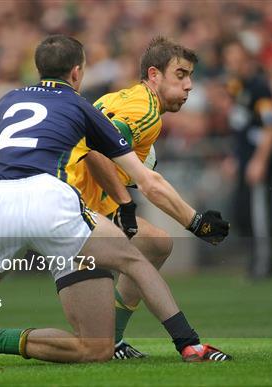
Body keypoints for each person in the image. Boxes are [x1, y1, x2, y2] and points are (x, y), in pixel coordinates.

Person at [0, 35, 231, 372]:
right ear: (77, 72)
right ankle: (189, 344)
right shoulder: (85, 105)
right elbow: (120, 164)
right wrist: (180, 217)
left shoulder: (6, 100)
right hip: (55, 202)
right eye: (181, 75)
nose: (189, 85)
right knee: (138, 259)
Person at [68, 36, 203, 359]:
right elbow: (97, 148)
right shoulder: (145, 113)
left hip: (91, 200)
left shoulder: (125, 98)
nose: (189, 86)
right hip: (72, 206)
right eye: (181, 75)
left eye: (190, 77)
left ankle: (113, 340)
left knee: (156, 243)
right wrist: (128, 202)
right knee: (88, 346)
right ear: (154, 75)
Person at [222, 40, 272, 278]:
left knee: (260, 213)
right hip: (244, 158)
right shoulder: (236, 87)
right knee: (242, 212)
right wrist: (234, 157)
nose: (231, 64)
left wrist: (259, 161)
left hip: (259, 160)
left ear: (247, 60)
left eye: (235, 59)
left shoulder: (260, 87)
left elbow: (271, 127)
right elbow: (240, 128)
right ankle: (256, 260)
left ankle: (266, 264)